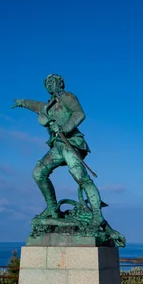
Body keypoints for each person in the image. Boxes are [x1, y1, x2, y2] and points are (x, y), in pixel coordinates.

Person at [12, 74, 104, 228]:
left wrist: (64, 128)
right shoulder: (49, 105)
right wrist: (22, 103)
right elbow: (37, 106)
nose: (48, 84)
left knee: (81, 177)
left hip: (71, 143)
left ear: (60, 83)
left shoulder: (67, 97)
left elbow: (79, 114)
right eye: (46, 83)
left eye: (51, 81)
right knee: (38, 173)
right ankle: (52, 208)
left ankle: (97, 215)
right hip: (58, 146)